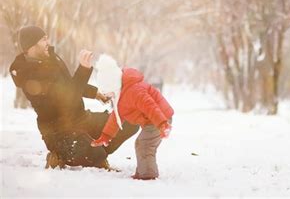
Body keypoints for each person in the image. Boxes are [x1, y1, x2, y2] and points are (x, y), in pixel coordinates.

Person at [9, 25, 139, 169]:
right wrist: (83, 70)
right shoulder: (28, 75)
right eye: (43, 39)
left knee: (129, 121)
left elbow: (67, 84)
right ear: (31, 45)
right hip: (59, 131)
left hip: (81, 119)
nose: (48, 43)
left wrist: (95, 93)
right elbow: (67, 98)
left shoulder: (51, 58)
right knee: (95, 154)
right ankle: (61, 154)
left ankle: (94, 152)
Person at [91, 54, 174, 180]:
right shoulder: (120, 95)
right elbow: (115, 117)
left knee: (144, 144)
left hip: (160, 118)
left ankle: (147, 174)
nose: (107, 94)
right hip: (152, 121)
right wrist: (106, 136)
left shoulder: (134, 91)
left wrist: (162, 124)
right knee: (142, 144)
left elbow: (151, 106)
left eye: (107, 89)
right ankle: (144, 171)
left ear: (113, 83)